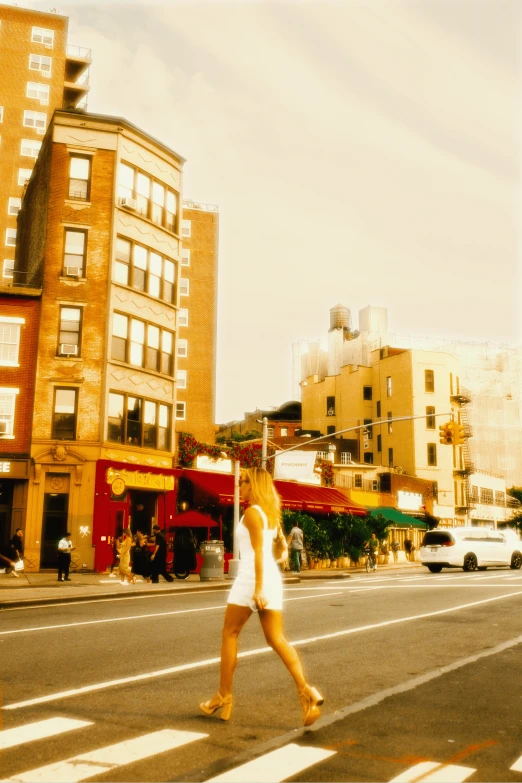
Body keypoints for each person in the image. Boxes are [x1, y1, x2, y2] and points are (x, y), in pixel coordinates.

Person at [199, 467, 323, 726]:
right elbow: (280, 553)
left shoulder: (252, 513)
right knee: (277, 639)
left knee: (229, 633)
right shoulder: (270, 516)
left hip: (252, 579)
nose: (239, 486)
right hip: (270, 578)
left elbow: (256, 553)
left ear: (253, 485)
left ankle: (224, 695)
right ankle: (306, 692)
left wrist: (257, 589)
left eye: (242, 482)